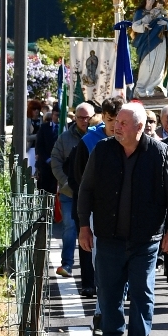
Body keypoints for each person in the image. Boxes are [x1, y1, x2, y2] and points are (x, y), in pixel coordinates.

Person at [77, 101, 168, 336]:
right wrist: (83, 226)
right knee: (109, 290)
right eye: (115, 122)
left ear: (139, 127)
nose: (116, 127)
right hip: (108, 236)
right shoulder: (102, 150)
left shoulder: (159, 153)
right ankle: (111, 333)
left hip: (145, 239)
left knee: (142, 292)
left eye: (123, 123)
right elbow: (86, 190)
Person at [72, 96, 124, 299]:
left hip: (124, 210)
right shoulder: (88, 142)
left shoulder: (129, 139)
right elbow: (79, 180)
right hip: (97, 210)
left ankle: (115, 296)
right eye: (110, 120)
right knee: (98, 257)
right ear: (103, 118)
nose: (114, 125)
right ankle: (99, 299)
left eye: (119, 120)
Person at [51, 102, 95, 278]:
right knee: (69, 227)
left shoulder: (98, 136)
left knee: (93, 228)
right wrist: (66, 183)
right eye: (80, 117)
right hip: (70, 192)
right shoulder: (64, 138)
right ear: (74, 118)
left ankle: (94, 269)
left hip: (93, 193)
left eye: (87, 117)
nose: (84, 121)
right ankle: (67, 264)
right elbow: (55, 161)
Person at [132, 0, 168, 99]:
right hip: (146, 41)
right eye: (149, 0)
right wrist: (143, 26)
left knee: (159, 64)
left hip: (160, 40)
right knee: (146, 63)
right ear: (145, 0)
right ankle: (140, 88)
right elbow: (134, 26)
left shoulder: (161, 13)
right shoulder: (140, 13)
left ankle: (155, 87)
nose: (150, 2)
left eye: (153, 1)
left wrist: (166, 24)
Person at [35, 105, 60, 193]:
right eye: (57, 115)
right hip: (46, 164)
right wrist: (48, 160)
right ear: (52, 115)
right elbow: (39, 146)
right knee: (45, 190)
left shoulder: (66, 128)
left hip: (60, 165)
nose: (58, 118)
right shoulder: (44, 128)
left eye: (60, 116)